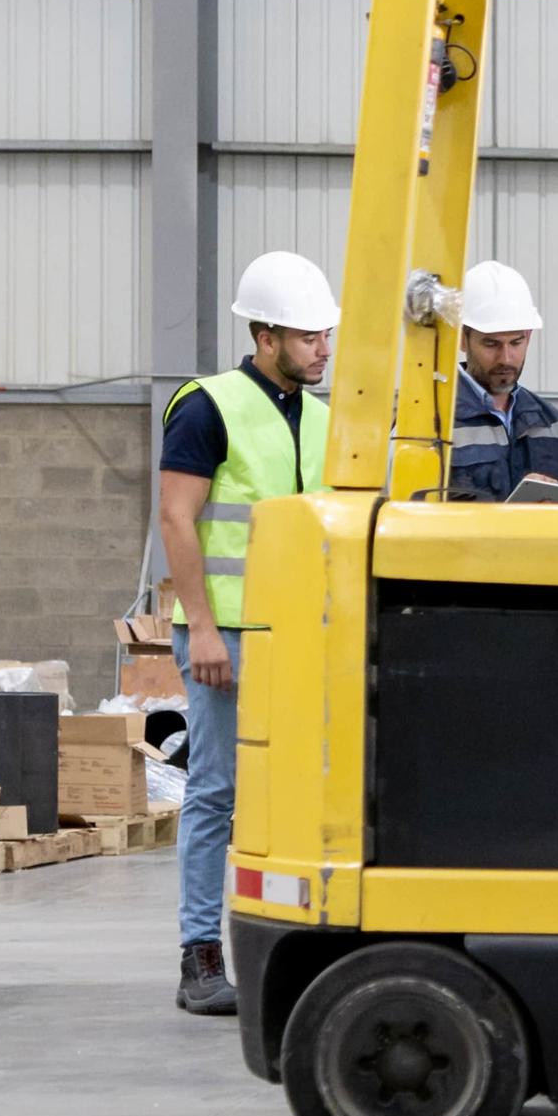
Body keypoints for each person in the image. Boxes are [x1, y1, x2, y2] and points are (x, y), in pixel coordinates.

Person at [153, 248, 334, 1019]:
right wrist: (200, 629)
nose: (323, 348)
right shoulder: (209, 405)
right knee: (217, 791)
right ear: (264, 336)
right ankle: (201, 955)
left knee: (298, 796)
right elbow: (177, 518)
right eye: (307, 336)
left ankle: (290, 949)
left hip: (297, 635)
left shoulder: (326, 419)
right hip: (222, 633)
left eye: (326, 334)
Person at [447, 260, 558, 501]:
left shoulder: (551, 424)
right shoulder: (431, 421)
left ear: (528, 337)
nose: (506, 358)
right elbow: (407, 522)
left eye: (516, 343)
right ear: (462, 339)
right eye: (491, 343)